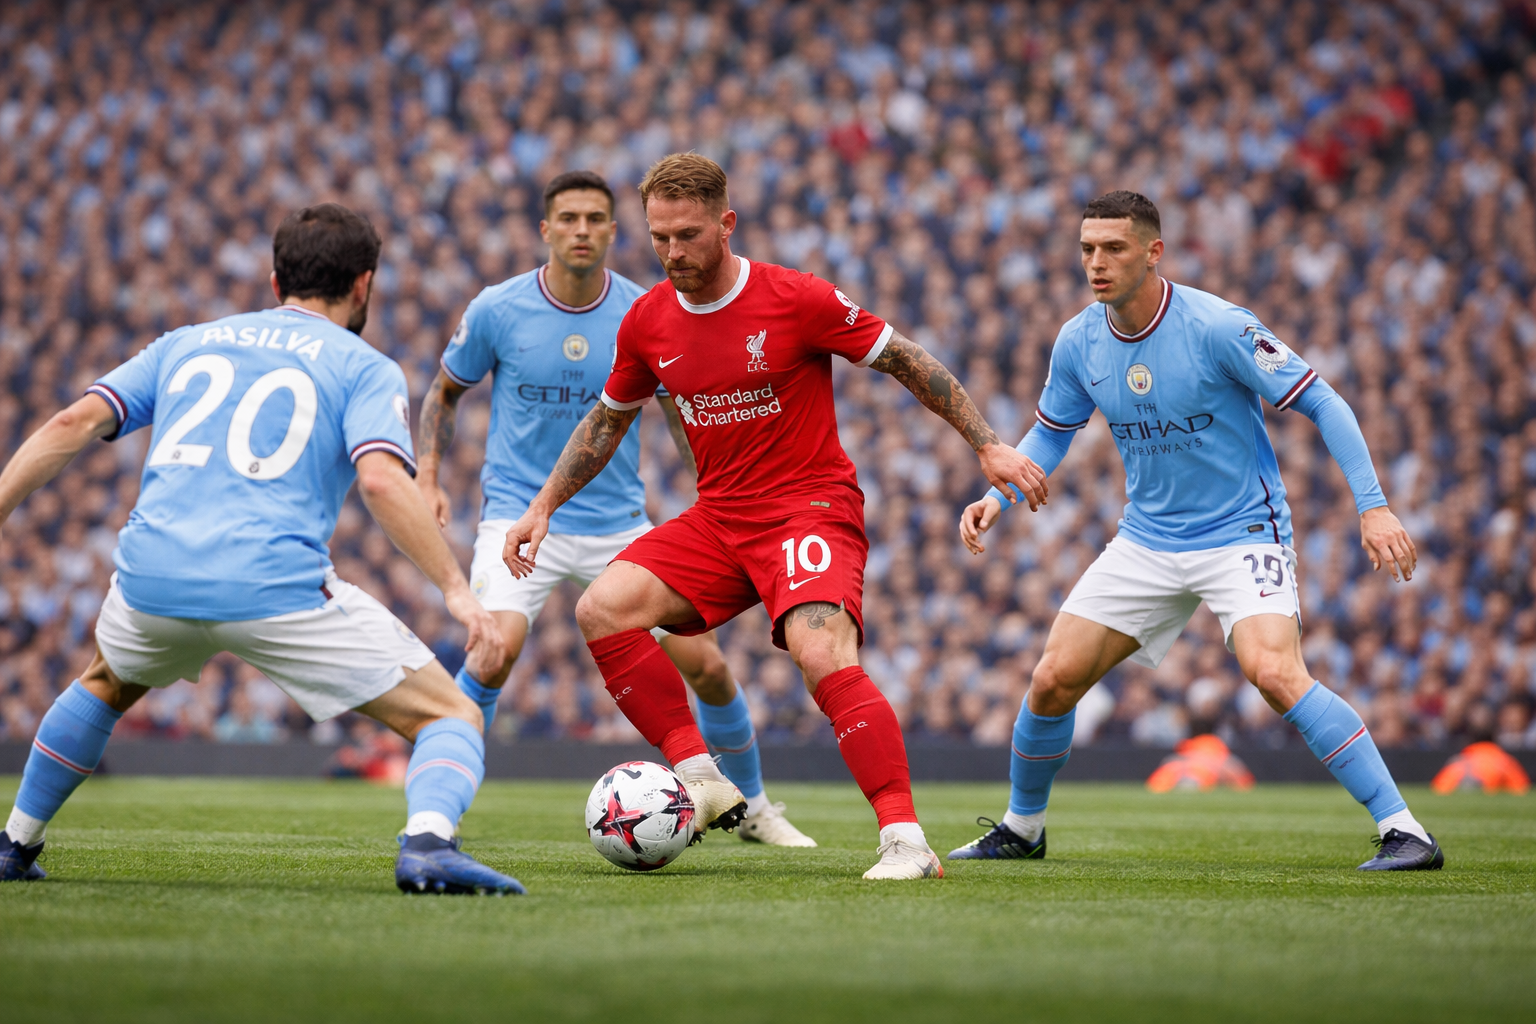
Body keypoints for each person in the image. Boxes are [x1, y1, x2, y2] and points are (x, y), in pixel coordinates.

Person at [501, 153, 1048, 880]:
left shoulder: (796, 297)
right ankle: (700, 776)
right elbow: (607, 421)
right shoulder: (647, 320)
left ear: (726, 224)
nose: (672, 252)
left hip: (808, 508)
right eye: (659, 237)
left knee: (820, 655)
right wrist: (542, 506)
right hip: (720, 517)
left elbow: (906, 359)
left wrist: (987, 444)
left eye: (688, 235)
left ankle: (905, 841)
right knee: (603, 608)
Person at [0, 204, 523, 894]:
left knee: (106, 682)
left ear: (276, 281)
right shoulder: (364, 366)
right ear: (364, 284)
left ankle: (15, 842)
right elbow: (379, 480)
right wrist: (457, 591)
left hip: (151, 578)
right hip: (273, 585)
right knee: (450, 713)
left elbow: (73, 421)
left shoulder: (186, 342)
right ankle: (428, 844)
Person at [951, 191, 1442, 871]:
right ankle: (1022, 828)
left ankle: (1405, 829)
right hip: (1147, 540)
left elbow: (1324, 401)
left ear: (1154, 252)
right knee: (1053, 679)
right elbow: (1052, 433)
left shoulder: (1218, 327)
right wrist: (995, 497)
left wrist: (1374, 505)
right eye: (1088, 249)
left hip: (1242, 533)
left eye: (1114, 248)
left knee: (1274, 672)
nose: (1096, 263)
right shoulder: (1078, 340)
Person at [416, 169, 814, 847]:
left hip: (619, 523)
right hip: (521, 513)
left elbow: (683, 411)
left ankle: (753, 807)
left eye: (595, 218)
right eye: (568, 218)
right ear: (546, 229)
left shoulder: (646, 310)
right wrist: (428, 473)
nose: (581, 230)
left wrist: (712, 489)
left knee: (707, 666)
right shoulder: (497, 309)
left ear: (612, 230)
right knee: (491, 652)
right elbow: (445, 391)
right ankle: (436, 815)